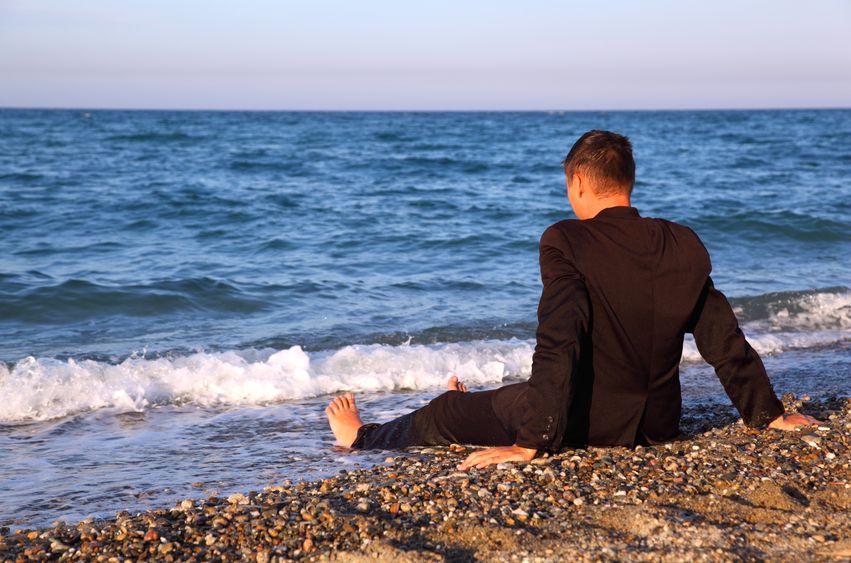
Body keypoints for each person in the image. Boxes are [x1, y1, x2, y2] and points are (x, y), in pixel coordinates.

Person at [325, 130, 817, 470]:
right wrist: (768, 414)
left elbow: (563, 335)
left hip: (580, 424)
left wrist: (529, 443)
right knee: (503, 398)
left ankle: (361, 437)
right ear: (627, 183)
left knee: (444, 415)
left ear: (578, 182)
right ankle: (473, 402)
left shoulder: (565, 239)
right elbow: (721, 336)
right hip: (659, 425)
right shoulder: (680, 242)